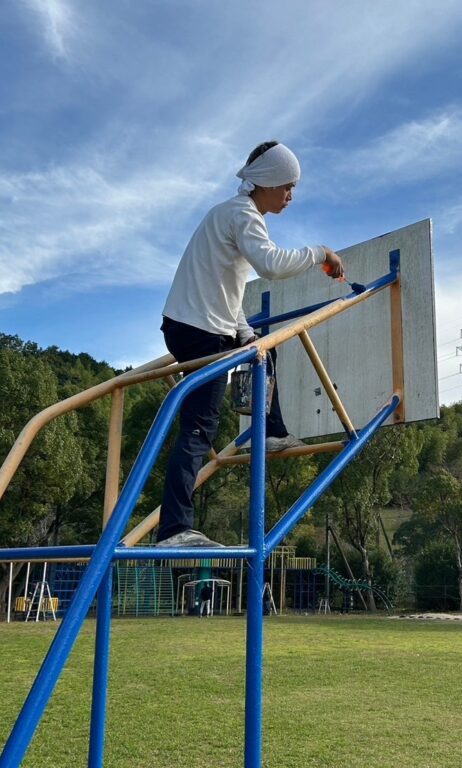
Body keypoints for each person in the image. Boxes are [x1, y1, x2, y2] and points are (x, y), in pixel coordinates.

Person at [156, 141, 344, 549]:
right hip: (201, 331)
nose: (290, 195)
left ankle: (271, 430)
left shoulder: (228, 213)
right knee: (200, 425)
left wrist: (244, 331)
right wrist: (320, 253)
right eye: (287, 186)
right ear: (268, 182)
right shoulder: (244, 216)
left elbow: (225, 288)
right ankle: (173, 529)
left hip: (197, 324)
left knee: (263, 349)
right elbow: (272, 265)